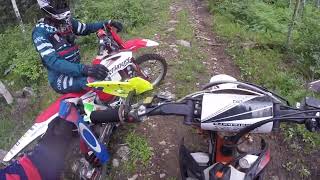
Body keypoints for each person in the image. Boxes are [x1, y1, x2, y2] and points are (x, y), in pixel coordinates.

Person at [33, 0, 123, 94]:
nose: (63, 5)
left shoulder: (67, 22)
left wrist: (107, 23)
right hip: (60, 78)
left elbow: (86, 28)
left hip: (77, 70)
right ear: (47, 7)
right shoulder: (40, 32)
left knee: (108, 70)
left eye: (63, 3)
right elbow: (54, 62)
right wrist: (84, 69)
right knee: (97, 83)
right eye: (59, 4)